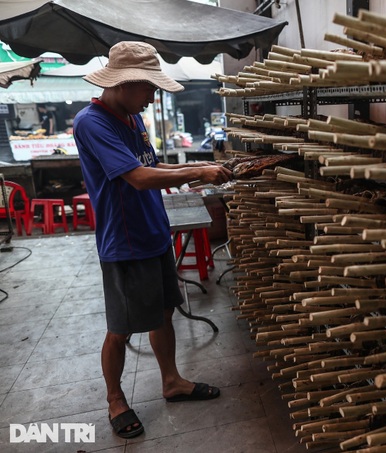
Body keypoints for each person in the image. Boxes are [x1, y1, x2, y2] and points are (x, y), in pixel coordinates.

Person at [73, 41, 232, 440]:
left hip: (153, 231)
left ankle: (172, 381)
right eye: (149, 89)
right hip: (124, 241)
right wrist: (198, 175)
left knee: (164, 313)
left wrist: (200, 167)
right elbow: (138, 178)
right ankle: (115, 400)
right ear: (125, 84)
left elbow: (150, 164)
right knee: (121, 328)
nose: (153, 96)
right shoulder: (92, 122)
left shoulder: (132, 118)